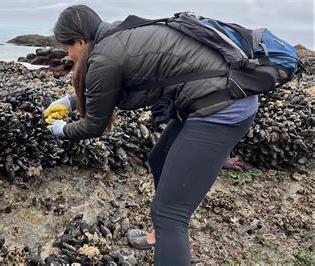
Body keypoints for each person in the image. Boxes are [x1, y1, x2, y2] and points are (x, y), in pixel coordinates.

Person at [44, 5, 257, 265]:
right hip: (209, 98)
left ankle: (166, 229)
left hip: (222, 108)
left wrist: (61, 130)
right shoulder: (120, 34)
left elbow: (94, 126)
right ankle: (161, 234)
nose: (69, 57)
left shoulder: (104, 57)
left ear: (79, 41)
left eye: (68, 50)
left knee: (170, 214)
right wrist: (69, 100)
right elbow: (119, 89)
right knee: (159, 158)